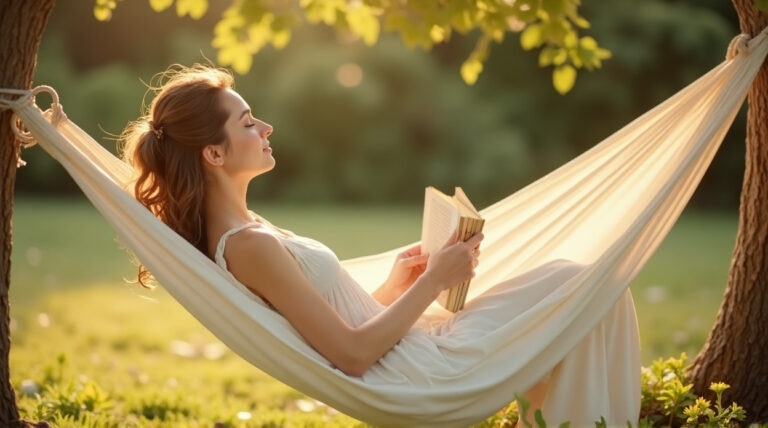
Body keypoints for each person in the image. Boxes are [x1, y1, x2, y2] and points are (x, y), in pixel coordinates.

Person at [120, 63, 640, 425]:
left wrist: (395, 286)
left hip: (415, 352)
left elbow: (335, 329)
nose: (266, 127)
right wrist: (436, 279)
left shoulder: (249, 229)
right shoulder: (247, 244)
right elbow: (352, 356)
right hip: (421, 374)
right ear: (214, 154)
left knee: (584, 283)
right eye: (248, 122)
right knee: (589, 288)